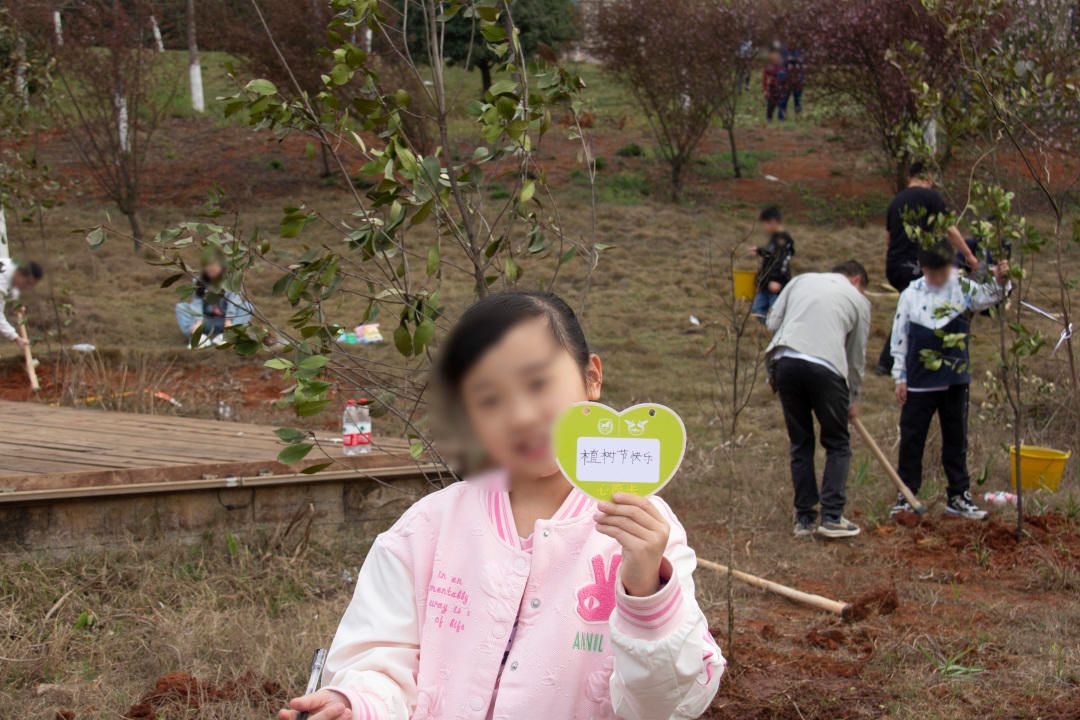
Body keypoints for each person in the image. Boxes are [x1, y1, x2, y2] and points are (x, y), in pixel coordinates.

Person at [278, 291, 725, 720]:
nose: (522, 416)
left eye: (539, 383)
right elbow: (380, 658)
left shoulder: (643, 533)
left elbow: (668, 705)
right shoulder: (428, 529)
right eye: (490, 399)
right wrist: (357, 704)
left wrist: (647, 591)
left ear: (591, 378)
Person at [890, 246, 1009, 521]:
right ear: (923, 269)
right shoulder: (911, 294)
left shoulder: (962, 287)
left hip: (955, 378)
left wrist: (1003, 279)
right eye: (933, 273)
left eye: (943, 272)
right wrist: (901, 377)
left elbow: (990, 296)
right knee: (912, 439)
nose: (938, 278)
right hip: (919, 381)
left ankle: (958, 496)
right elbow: (899, 336)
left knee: (956, 439)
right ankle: (906, 497)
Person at [765, 261, 871, 539]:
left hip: (784, 361)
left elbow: (772, 322)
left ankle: (804, 519)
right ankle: (832, 517)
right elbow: (856, 356)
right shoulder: (858, 300)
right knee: (837, 443)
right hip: (826, 367)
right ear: (857, 280)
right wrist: (852, 397)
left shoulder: (801, 280)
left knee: (801, 441)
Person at [875, 161, 980, 374]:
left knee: (914, 307)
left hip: (894, 265)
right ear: (928, 178)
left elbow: (888, 238)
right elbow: (949, 228)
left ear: (909, 177)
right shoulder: (930, 197)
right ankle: (888, 363)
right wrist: (969, 255)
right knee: (914, 311)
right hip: (915, 266)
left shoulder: (896, 201)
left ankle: (907, 357)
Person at [174, 260, 252, 342]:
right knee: (181, 307)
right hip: (206, 321)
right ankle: (198, 337)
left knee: (248, 306)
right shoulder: (199, 281)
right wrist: (198, 322)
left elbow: (234, 302)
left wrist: (229, 322)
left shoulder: (231, 281)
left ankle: (230, 336)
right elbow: (197, 303)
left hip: (227, 322)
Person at [747, 205, 795, 322]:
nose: (764, 227)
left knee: (775, 315)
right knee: (757, 311)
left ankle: (779, 334)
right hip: (766, 282)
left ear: (773, 222)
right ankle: (772, 333)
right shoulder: (775, 238)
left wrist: (777, 280)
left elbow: (783, 261)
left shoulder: (784, 239)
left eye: (765, 223)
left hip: (775, 285)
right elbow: (772, 255)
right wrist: (759, 251)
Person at [0, 259, 43, 349]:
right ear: (19, 274)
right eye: (27, 283)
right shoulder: (1, 283)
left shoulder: (11, 265)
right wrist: (16, 337)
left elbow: (13, 284)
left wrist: (16, 303)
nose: (27, 287)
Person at [763, 48, 788, 121]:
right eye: (774, 58)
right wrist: (765, 90)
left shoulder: (782, 68)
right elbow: (765, 80)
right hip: (771, 89)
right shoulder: (768, 68)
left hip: (781, 90)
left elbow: (786, 79)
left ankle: (781, 118)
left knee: (782, 104)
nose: (776, 59)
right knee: (770, 105)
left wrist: (785, 87)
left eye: (778, 58)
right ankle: (769, 119)